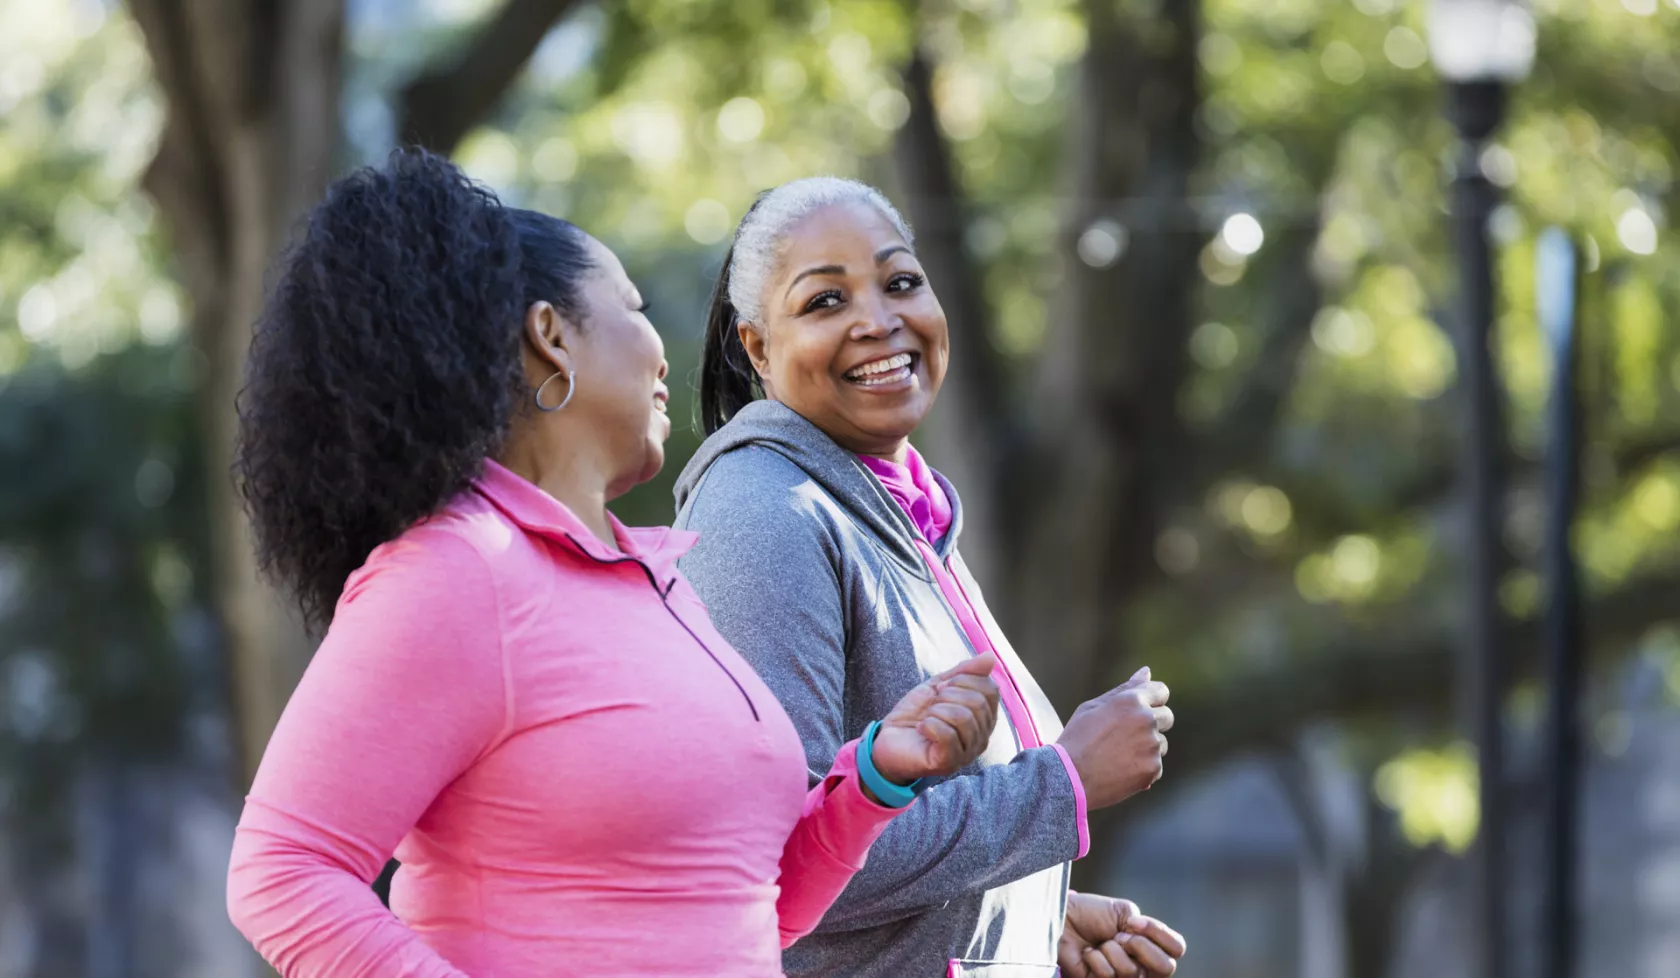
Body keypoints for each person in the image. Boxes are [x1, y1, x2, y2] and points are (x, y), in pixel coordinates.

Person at [223, 150, 1004, 978]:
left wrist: (876, 776)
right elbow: (282, 872)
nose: (664, 355)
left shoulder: (655, 583)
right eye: (632, 308)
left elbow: (751, 905)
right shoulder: (458, 570)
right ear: (550, 336)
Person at [673, 177, 1188, 978]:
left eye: (900, 282)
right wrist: (1064, 783)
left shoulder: (899, 509)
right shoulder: (767, 512)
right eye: (824, 302)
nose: (879, 321)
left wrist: (1025, 914)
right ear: (757, 348)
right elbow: (780, 861)